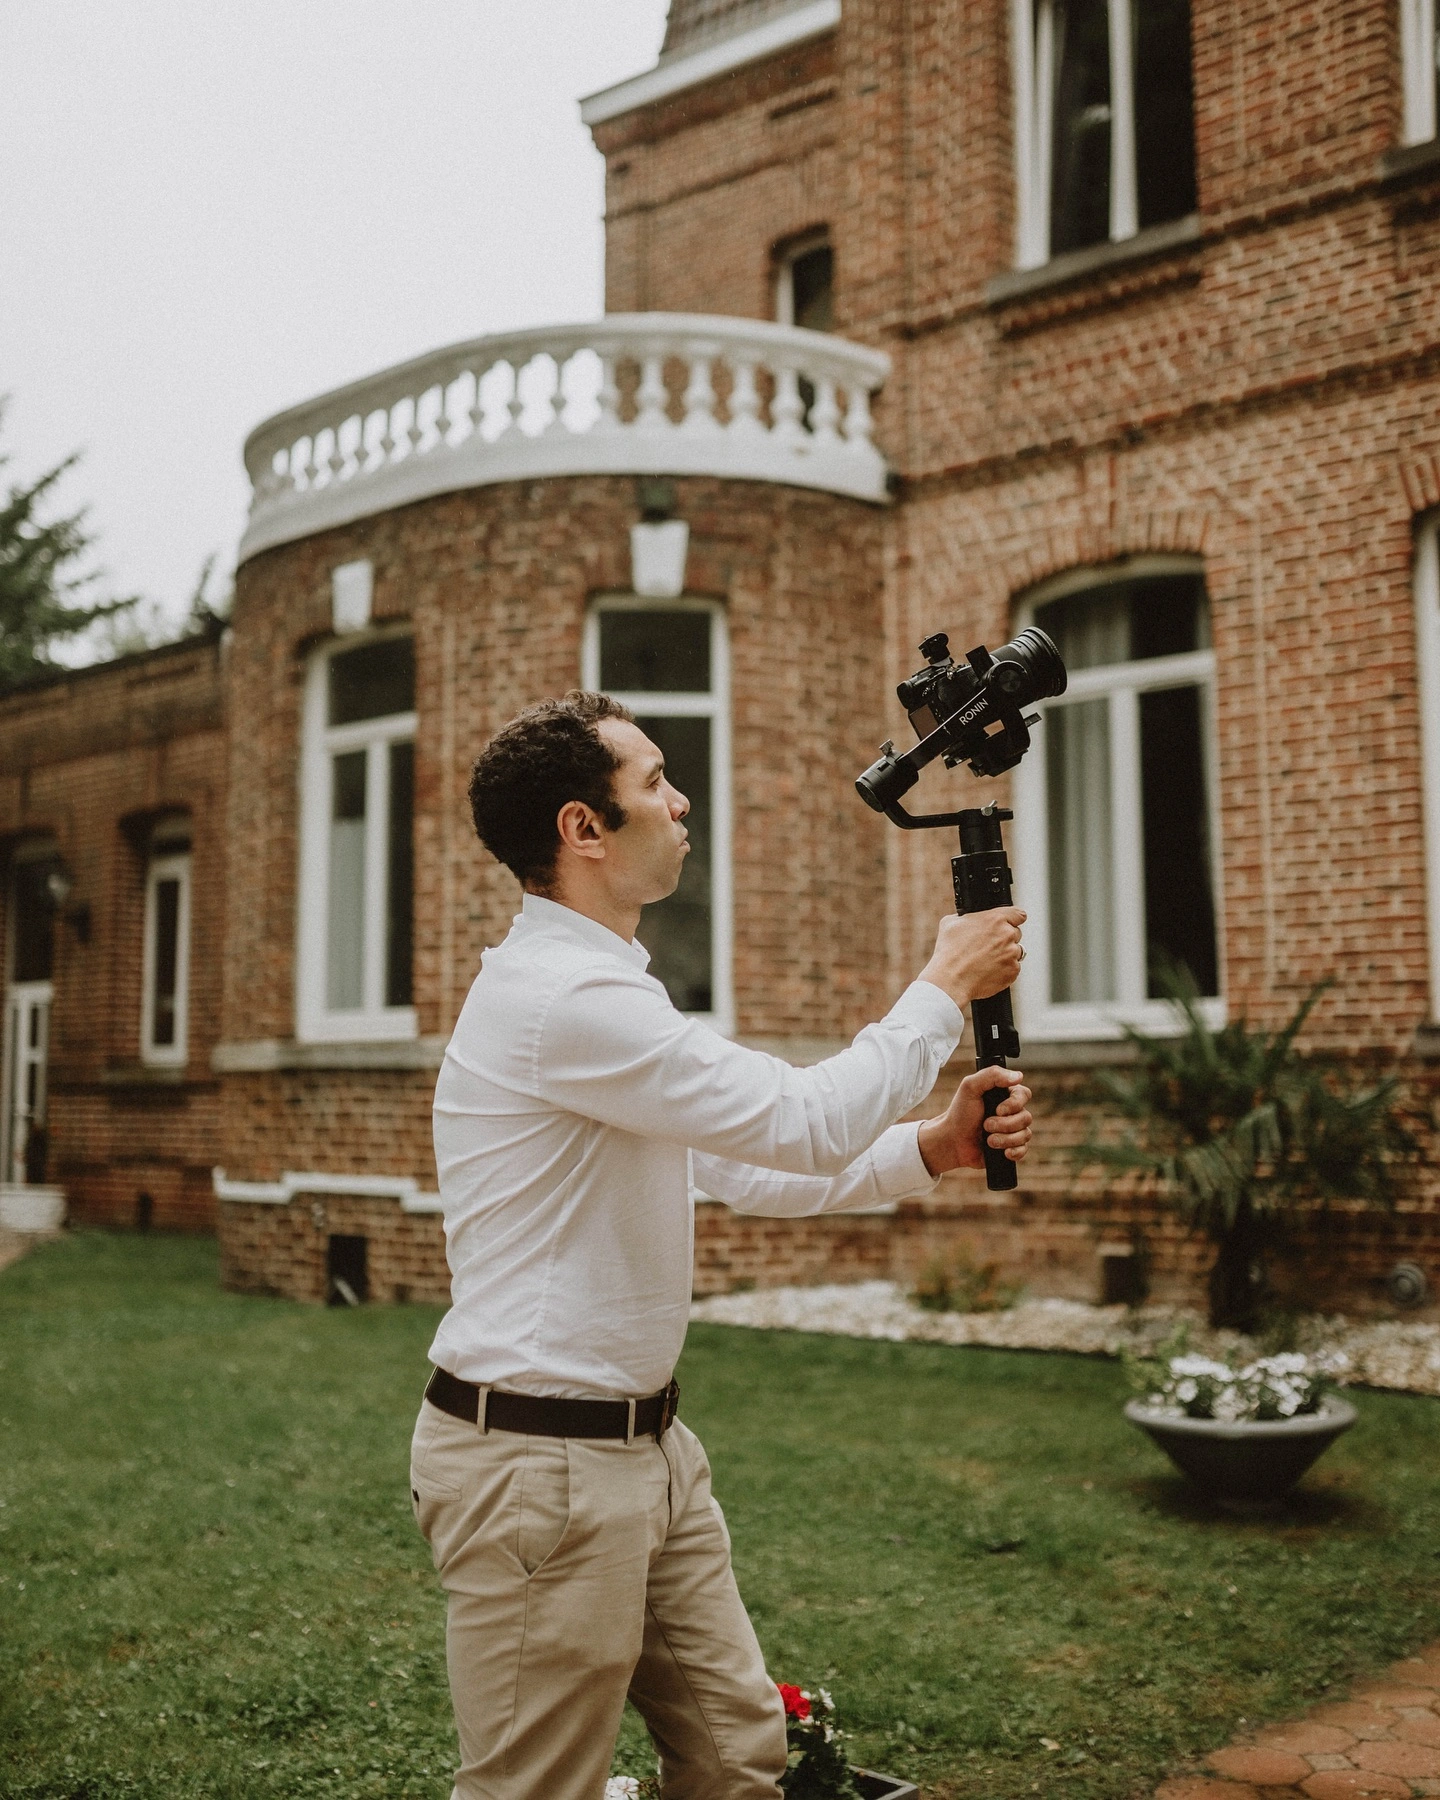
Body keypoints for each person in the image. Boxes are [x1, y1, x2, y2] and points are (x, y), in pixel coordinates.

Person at [412, 690, 1033, 1800]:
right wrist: (942, 988)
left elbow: (746, 1162)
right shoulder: (565, 1000)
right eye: (654, 779)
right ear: (582, 829)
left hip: (648, 1455)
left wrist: (933, 1150)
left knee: (736, 1756)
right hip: (541, 1469)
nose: (681, 797)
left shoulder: (607, 988)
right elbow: (801, 1118)